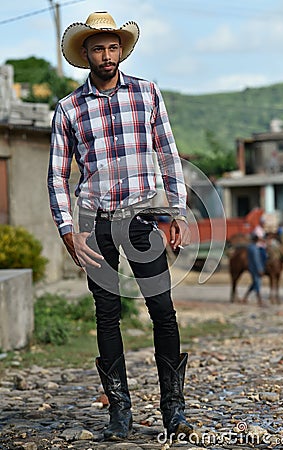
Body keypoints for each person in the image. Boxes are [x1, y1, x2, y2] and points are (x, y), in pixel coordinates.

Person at [47, 11, 193, 442]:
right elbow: (57, 174)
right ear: (86, 54)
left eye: (112, 47)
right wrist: (66, 228)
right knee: (106, 315)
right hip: (94, 223)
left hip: (143, 216)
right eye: (97, 48)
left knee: (163, 312)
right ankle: (120, 414)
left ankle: (174, 410)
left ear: (120, 51)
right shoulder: (69, 109)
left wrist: (178, 211)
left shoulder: (147, 94)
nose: (106, 55)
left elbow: (167, 153)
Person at [242, 235, 264, 306]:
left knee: (254, 283)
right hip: (255, 268)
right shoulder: (254, 248)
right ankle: (259, 300)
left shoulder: (250, 247)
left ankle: (245, 297)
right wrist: (260, 269)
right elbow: (256, 259)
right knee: (257, 282)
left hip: (251, 267)